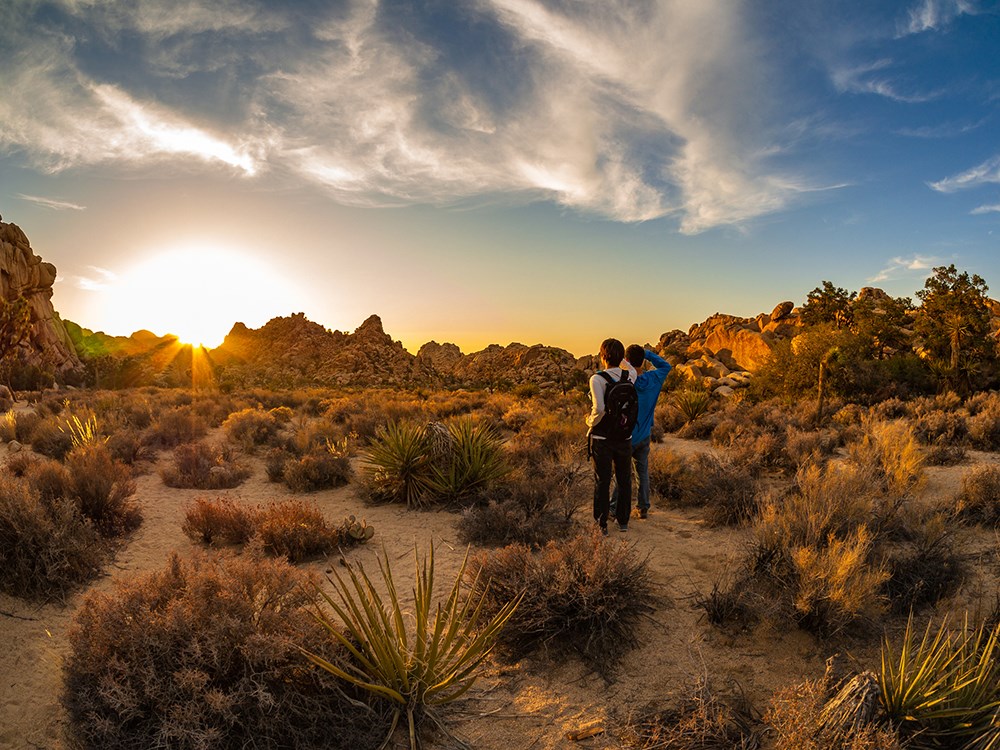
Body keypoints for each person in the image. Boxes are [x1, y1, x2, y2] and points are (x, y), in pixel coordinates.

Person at [612, 345, 672, 519]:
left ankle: (614, 507)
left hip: (627, 435)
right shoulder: (655, 378)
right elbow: (666, 366)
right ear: (642, 360)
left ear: (628, 361)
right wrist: (646, 354)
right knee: (642, 472)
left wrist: (625, 361)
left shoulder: (627, 381)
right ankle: (643, 507)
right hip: (645, 434)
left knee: (621, 473)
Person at [586, 338, 637, 534]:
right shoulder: (630, 375)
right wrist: (622, 359)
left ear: (602, 356)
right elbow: (629, 367)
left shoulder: (597, 379)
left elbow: (598, 408)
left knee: (603, 480)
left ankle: (601, 524)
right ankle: (623, 521)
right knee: (624, 479)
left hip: (603, 439)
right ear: (621, 357)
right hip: (625, 436)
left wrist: (589, 422)